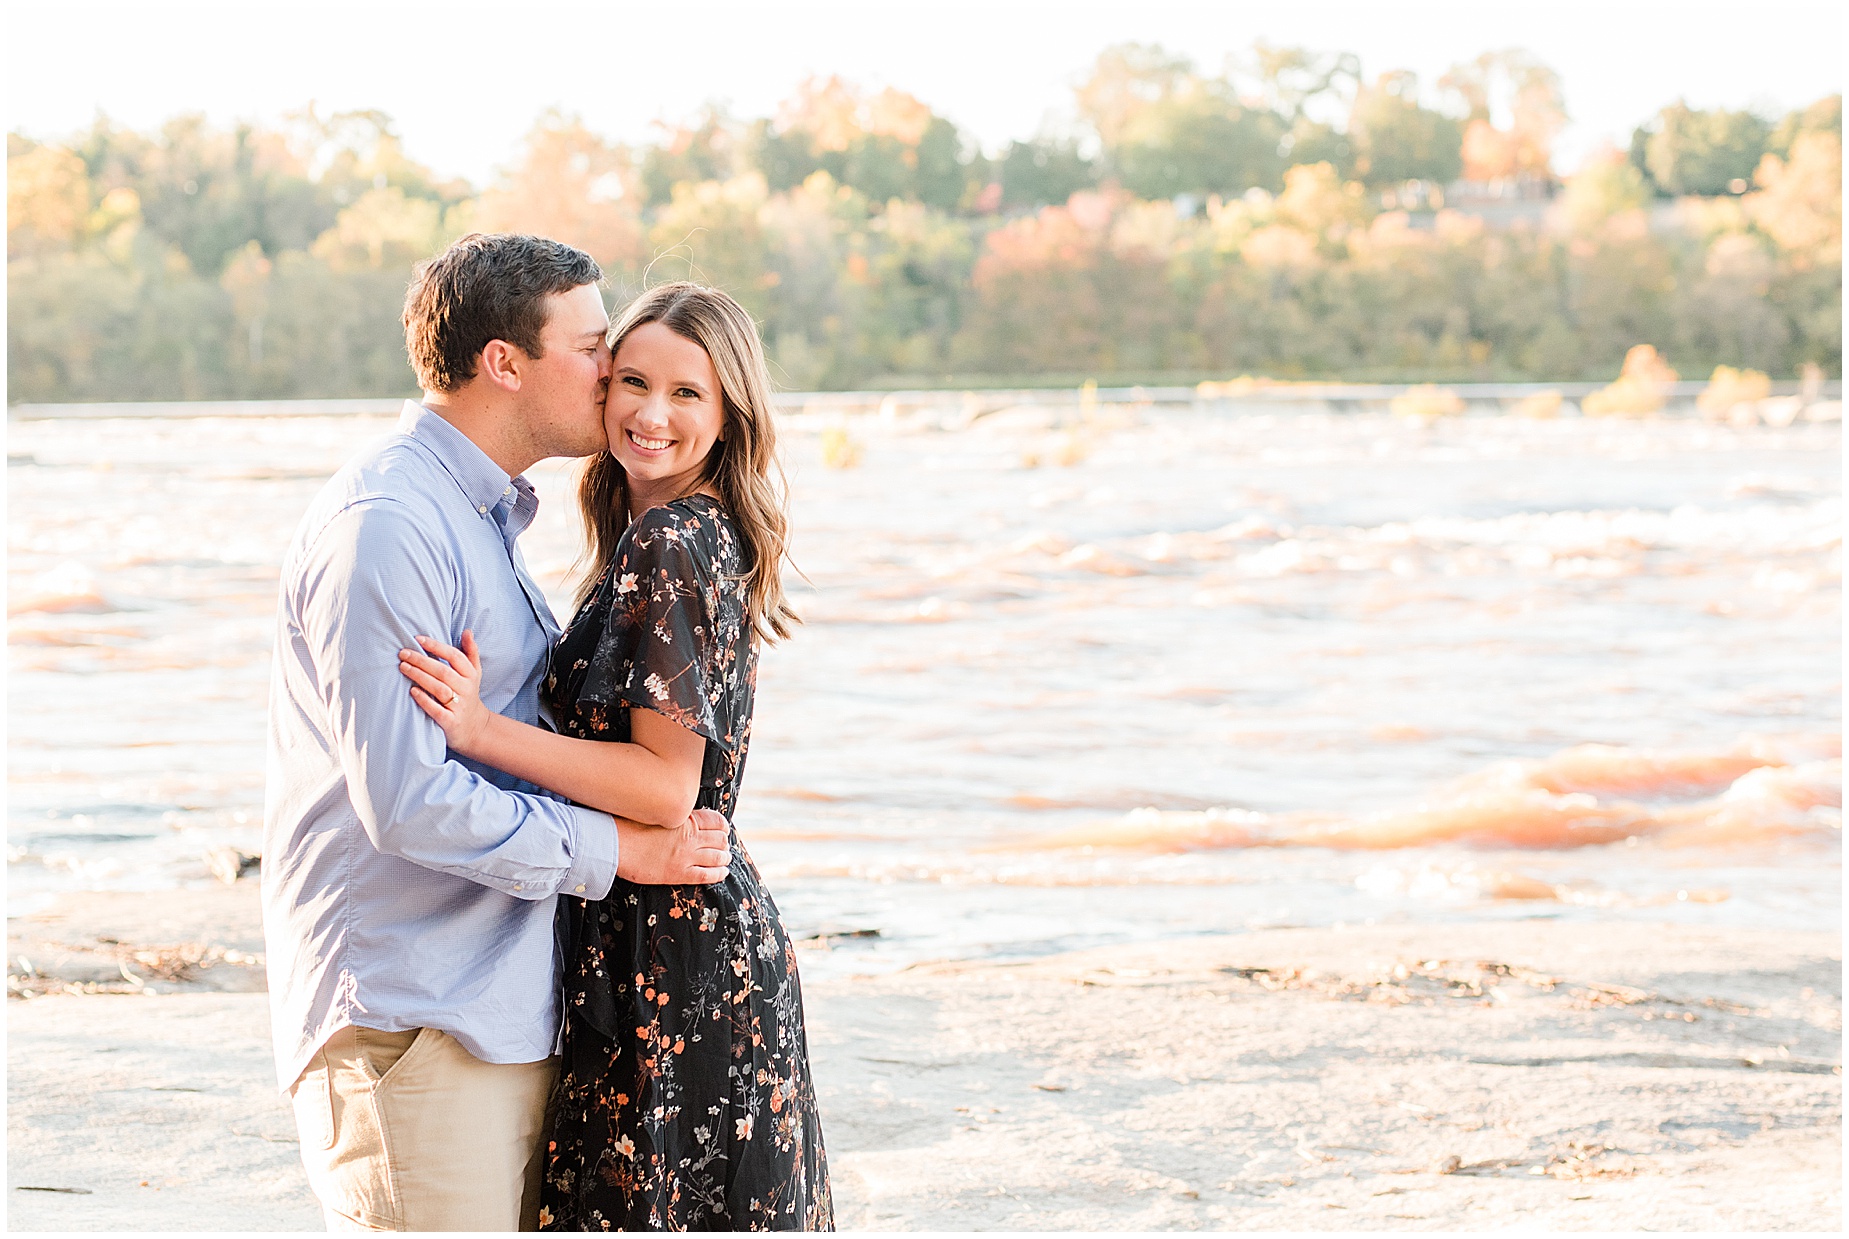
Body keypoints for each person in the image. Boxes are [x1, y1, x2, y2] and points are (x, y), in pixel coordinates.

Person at [263, 235, 733, 1233]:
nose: (610, 371)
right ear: (505, 363)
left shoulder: (481, 518)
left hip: (498, 1010)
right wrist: (625, 853)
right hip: (416, 1022)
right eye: (593, 347)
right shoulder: (390, 524)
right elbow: (411, 802)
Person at [396, 281, 833, 1230]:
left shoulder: (674, 543)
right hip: (658, 936)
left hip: (672, 954)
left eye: (688, 395)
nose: (650, 413)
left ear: (729, 416)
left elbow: (665, 787)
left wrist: (479, 732)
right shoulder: (666, 531)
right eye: (632, 379)